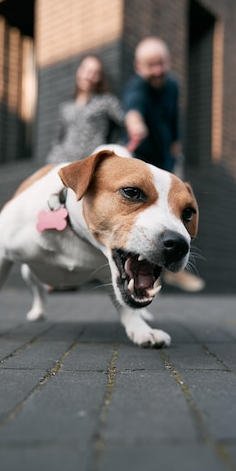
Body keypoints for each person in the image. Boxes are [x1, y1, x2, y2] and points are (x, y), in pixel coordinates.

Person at [123, 36, 205, 293]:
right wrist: (136, 125)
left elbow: (173, 118)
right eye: (151, 65)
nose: (157, 70)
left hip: (166, 162)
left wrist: (176, 146)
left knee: (175, 214)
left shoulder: (173, 85)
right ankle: (133, 267)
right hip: (140, 163)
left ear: (169, 62)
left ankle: (173, 266)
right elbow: (132, 110)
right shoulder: (137, 86)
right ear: (138, 67)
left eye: (161, 64)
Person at [47, 54, 124, 164]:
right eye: (85, 69)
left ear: (99, 78)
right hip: (64, 165)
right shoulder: (66, 108)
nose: (88, 76)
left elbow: (125, 121)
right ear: (78, 71)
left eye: (95, 72)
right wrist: (52, 163)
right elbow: (58, 139)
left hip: (91, 164)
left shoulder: (106, 101)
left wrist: (118, 149)